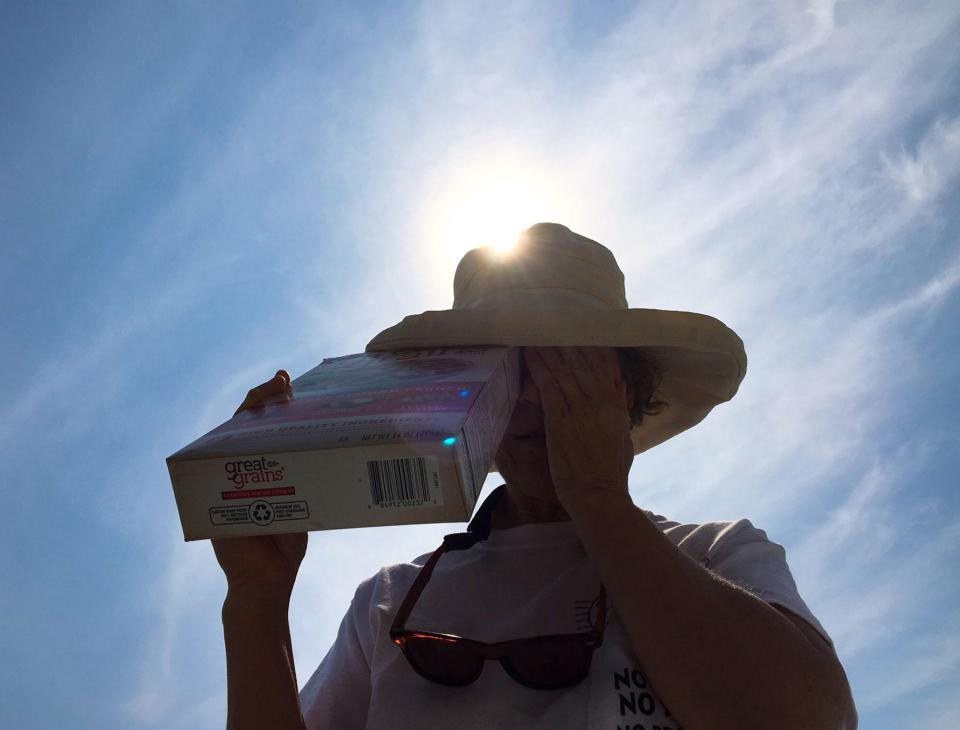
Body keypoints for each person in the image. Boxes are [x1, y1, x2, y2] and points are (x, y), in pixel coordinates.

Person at [213, 223, 857, 729]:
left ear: (626, 395)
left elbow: (810, 719)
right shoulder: (390, 598)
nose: (534, 399)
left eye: (566, 371)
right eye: (503, 372)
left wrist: (597, 497)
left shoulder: (718, 554)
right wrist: (257, 603)